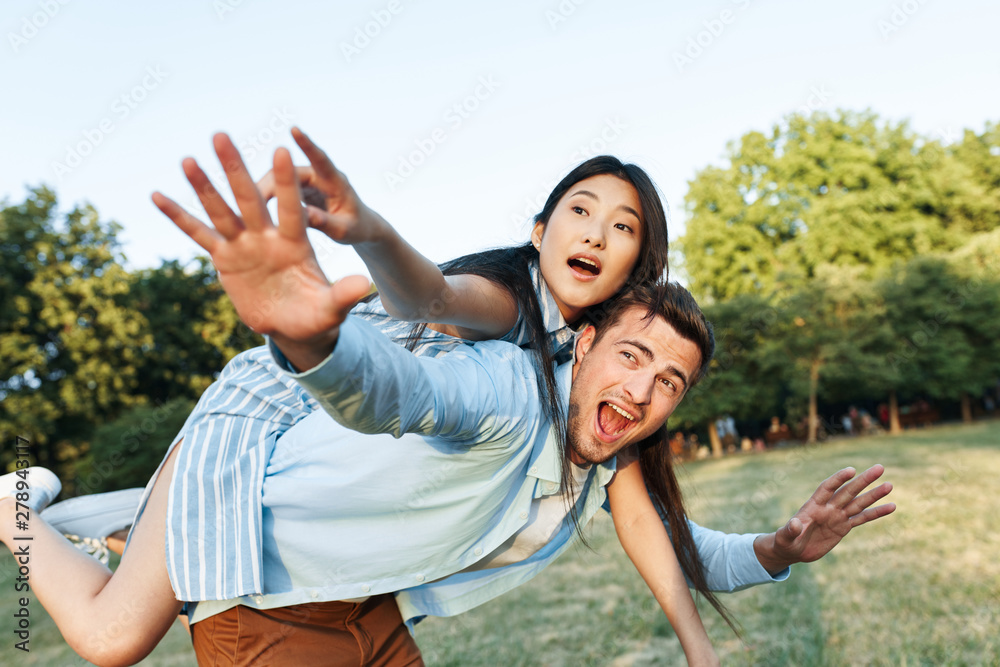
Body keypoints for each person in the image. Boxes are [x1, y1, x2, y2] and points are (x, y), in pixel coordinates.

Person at [0, 135, 896, 666]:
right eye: (580, 210)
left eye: (622, 226)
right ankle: (17, 510)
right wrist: (360, 240)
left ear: (639, 266)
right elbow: (417, 327)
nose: (596, 231)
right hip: (268, 406)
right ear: (540, 231)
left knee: (143, 593)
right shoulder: (508, 318)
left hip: (342, 527)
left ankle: (108, 520)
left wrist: (767, 562)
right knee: (114, 637)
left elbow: (661, 535)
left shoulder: (589, 388)